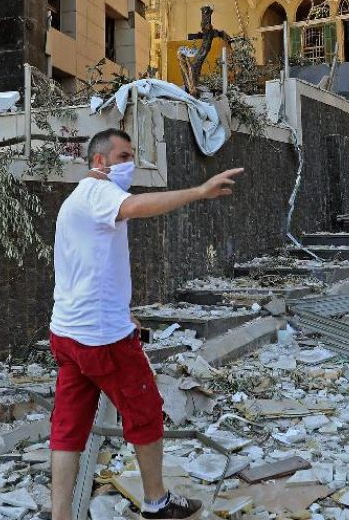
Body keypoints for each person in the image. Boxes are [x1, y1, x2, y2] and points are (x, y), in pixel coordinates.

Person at [49, 129, 243, 520]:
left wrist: (122, 310)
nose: (130, 163)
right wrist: (199, 191)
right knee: (146, 412)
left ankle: (60, 515)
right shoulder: (99, 193)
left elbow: (86, 269)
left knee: (68, 427)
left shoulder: (74, 202)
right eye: (123, 156)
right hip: (102, 339)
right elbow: (139, 206)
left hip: (68, 332)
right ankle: (157, 502)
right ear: (100, 162)